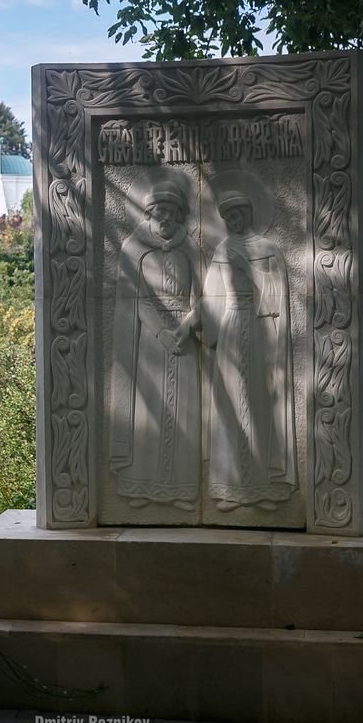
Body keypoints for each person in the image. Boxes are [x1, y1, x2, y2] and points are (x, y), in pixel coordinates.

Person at [109, 180, 203, 510]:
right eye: (160, 210)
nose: (166, 216)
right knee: (148, 410)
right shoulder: (135, 246)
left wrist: (189, 322)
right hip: (149, 340)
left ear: (179, 214)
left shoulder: (188, 246)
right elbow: (135, 299)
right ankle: (139, 487)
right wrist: (162, 332)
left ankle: (181, 490)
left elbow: (208, 294)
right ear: (150, 212)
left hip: (185, 339)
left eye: (172, 211)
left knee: (184, 414)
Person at [200, 189, 296, 511]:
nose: (232, 222)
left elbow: (277, 297)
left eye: (237, 216)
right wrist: (200, 330)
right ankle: (229, 488)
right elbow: (210, 296)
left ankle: (262, 488)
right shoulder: (222, 250)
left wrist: (249, 268)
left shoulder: (268, 250)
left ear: (248, 215)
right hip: (230, 327)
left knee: (258, 403)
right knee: (230, 406)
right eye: (227, 219)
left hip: (259, 332)